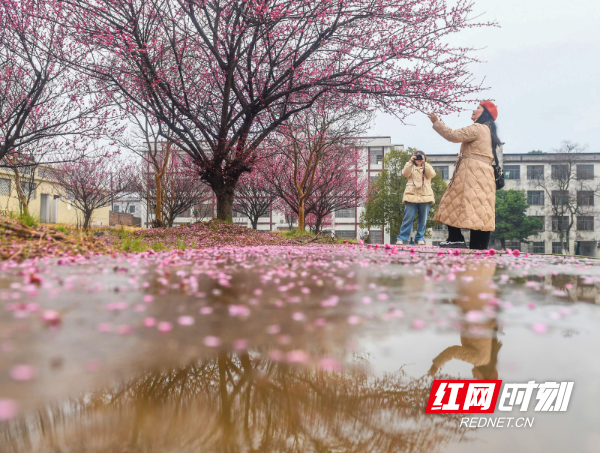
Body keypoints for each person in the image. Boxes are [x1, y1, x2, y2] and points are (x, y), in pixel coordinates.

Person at [427, 101, 500, 250]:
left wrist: (436, 122)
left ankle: (456, 239)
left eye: (478, 108)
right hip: (486, 175)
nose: (474, 110)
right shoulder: (492, 134)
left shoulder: (478, 128)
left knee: (451, 202)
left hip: (471, 172)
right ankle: (479, 247)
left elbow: (453, 135)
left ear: (485, 112)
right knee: (481, 212)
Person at [395, 151, 436, 245]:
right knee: (408, 218)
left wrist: (424, 162)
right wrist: (410, 162)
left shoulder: (427, 167)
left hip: (425, 196)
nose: (419, 159)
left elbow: (432, 174)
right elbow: (404, 173)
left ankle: (420, 238)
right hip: (411, 196)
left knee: (423, 219)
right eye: (417, 156)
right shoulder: (410, 166)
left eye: (421, 157)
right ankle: (402, 238)